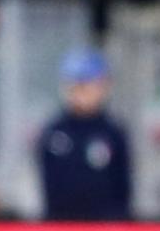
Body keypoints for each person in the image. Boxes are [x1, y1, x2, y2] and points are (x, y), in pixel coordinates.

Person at [38, 48, 132, 221]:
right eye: (75, 86)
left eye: (87, 85)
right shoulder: (54, 132)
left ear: (103, 87)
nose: (80, 93)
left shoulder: (113, 133)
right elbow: (47, 187)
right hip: (62, 225)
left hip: (104, 227)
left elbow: (122, 188)